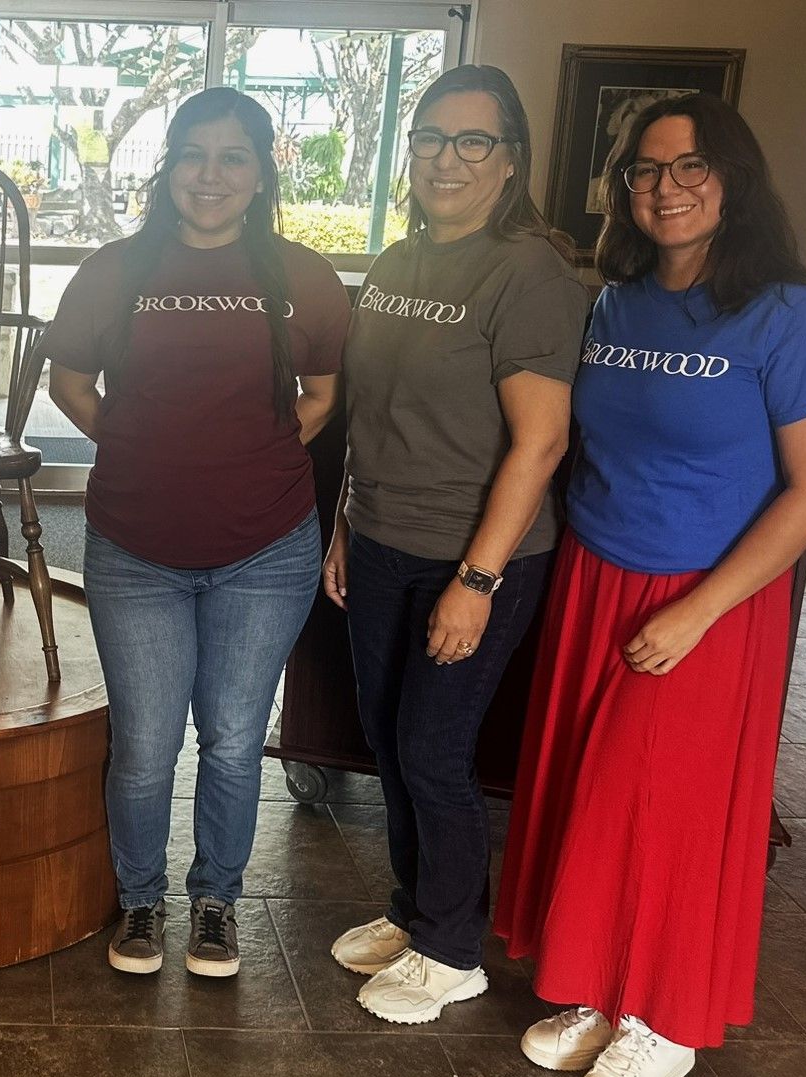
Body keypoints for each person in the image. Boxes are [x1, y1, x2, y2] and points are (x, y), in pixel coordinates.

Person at [494, 93, 806, 1077]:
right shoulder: (614, 303)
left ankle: (666, 1019)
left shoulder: (793, 311)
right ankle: (602, 989)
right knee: (591, 796)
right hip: (595, 578)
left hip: (708, 597)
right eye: (644, 170)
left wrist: (699, 612)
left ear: (732, 177)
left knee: (672, 811)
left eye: (689, 165)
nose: (665, 187)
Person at [44, 87, 348, 977]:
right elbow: (69, 382)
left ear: (260, 175)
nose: (209, 176)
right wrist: (137, 444)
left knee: (230, 737)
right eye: (192, 156)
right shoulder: (115, 270)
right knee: (143, 746)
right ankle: (139, 903)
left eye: (233, 158)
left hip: (267, 548)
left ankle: (215, 901)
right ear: (168, 168)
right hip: (135, 547)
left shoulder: (304, 277)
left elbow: (323, 394)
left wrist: (252, 455)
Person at [323, 64, 587, 1023]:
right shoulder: (397, 263)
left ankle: (453, 949)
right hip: (385, 540)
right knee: (392, 744)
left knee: (434, 751)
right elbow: (372, 414)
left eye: (473, 141)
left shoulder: (527, 273)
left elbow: (542, 440)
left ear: (509, 163)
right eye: (432, 137)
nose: (447, 157)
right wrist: (347, 521)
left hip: (480, 557)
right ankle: (414, 909)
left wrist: (475, 580)